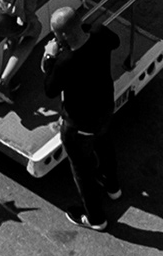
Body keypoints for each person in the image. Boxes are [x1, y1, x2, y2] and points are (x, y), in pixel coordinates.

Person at [41, 11, 120, 227]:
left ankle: (96, 219)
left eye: (55, 34)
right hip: (105, 109)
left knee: (82, 172)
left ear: (63, 36)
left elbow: (50, 89)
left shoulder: (65, 62)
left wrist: (49, 57)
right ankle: (112, 186)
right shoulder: (100, 33)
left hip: (79, 126)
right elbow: (116, 41)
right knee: (104, 144)